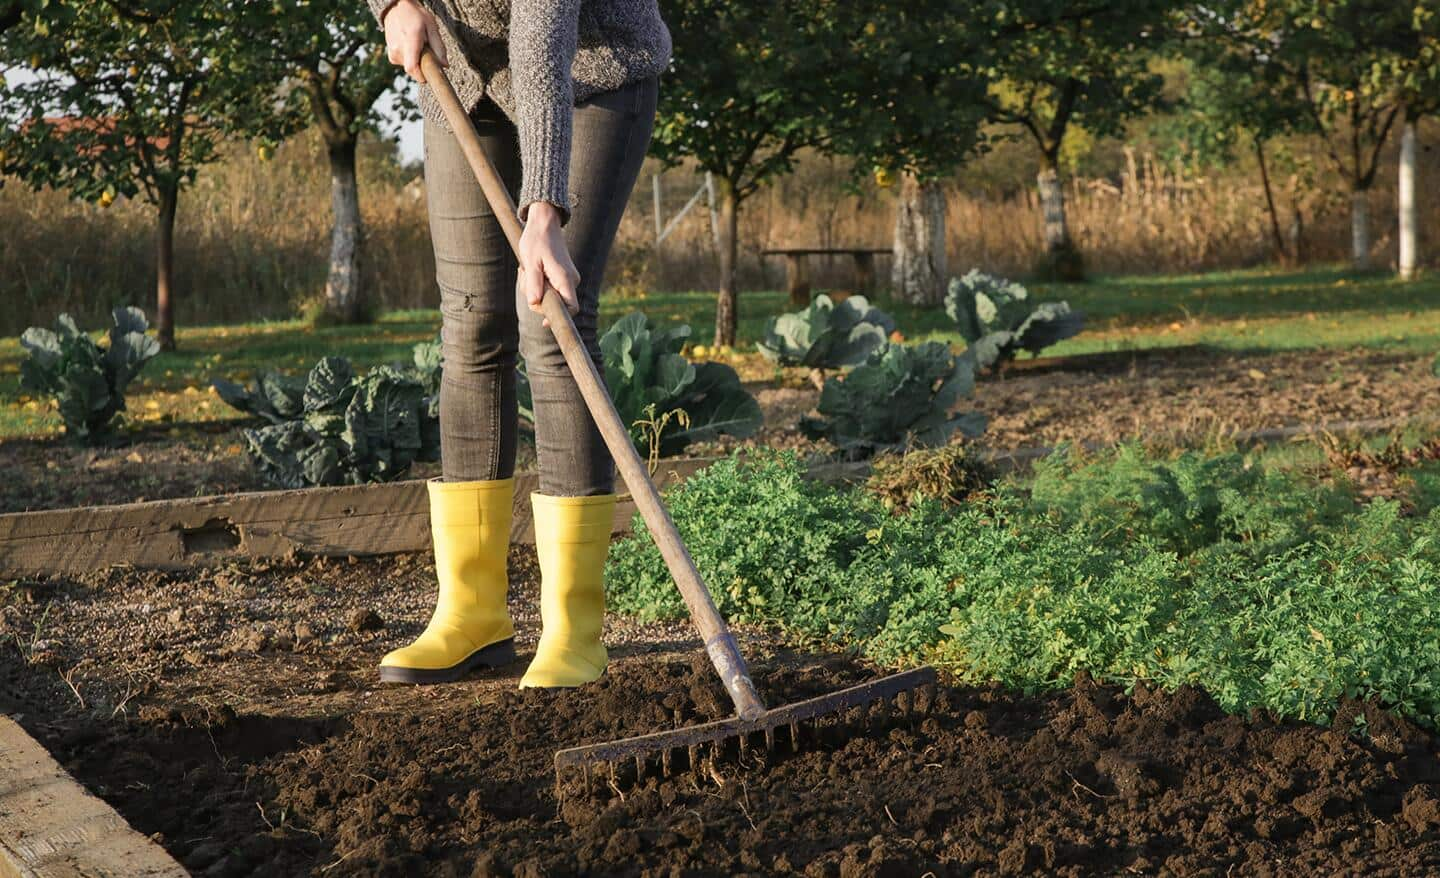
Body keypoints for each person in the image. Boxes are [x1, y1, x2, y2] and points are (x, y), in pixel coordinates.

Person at [366, 0, 670, 688]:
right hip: (464, 75)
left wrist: (544, 212)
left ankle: (572, 628)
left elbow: (542, 41)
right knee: (471, 322)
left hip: (591, 72)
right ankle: (472, 615)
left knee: (551, 319)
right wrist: (391, 5)